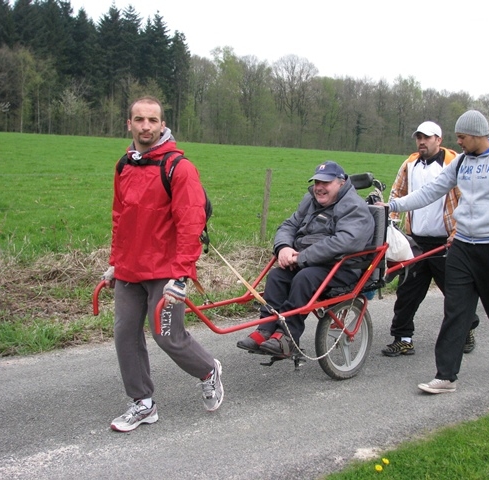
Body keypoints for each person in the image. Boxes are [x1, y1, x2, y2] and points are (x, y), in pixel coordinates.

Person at [386, 110, 489, 394]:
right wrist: (391, 206)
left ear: (477, 135)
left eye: (462, 137)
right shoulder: (462, 162)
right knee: (456, 310)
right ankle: (446, 376)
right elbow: (431, 191)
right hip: (463, 245)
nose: (459, 142)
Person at [102, 96, 223, 432]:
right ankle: (143, 403)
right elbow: (119, 217)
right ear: (129, 124)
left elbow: (190, 221)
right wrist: (114, 262)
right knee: (125, 334)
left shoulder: (178, 168)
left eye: (152, 120)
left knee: (167, 335)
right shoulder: (123, 165)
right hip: (130, 269)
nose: (145, 126)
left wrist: (182, 273)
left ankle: (208, 370)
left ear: (162, 124)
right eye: (139, 120)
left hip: (166, 270)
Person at [236, 161, 374, 356]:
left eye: (326, 183)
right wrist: (283, 248)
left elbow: (345, 242)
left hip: (341, 267)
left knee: (304, 278)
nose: (319, 187)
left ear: (341, 183)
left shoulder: (355, 207)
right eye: (317, 182)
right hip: (309, 262)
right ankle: (266, 329)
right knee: (277, 276)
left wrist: (302, 257)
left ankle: (287, 337)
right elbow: (289, 225)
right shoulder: (310, 201)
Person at [382, 121, 479, 357]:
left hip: (447, 242)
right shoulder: (410, 163)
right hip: (416, 241)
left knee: (456, 293)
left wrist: (459, 232)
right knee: (407, 292)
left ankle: (466, 328)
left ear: (439, 139)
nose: (421, 142)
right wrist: (390, 222)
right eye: (418, 138)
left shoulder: (453, 163)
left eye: (426, 137)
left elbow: (466, 199)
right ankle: (403, 338)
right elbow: (397, 192)